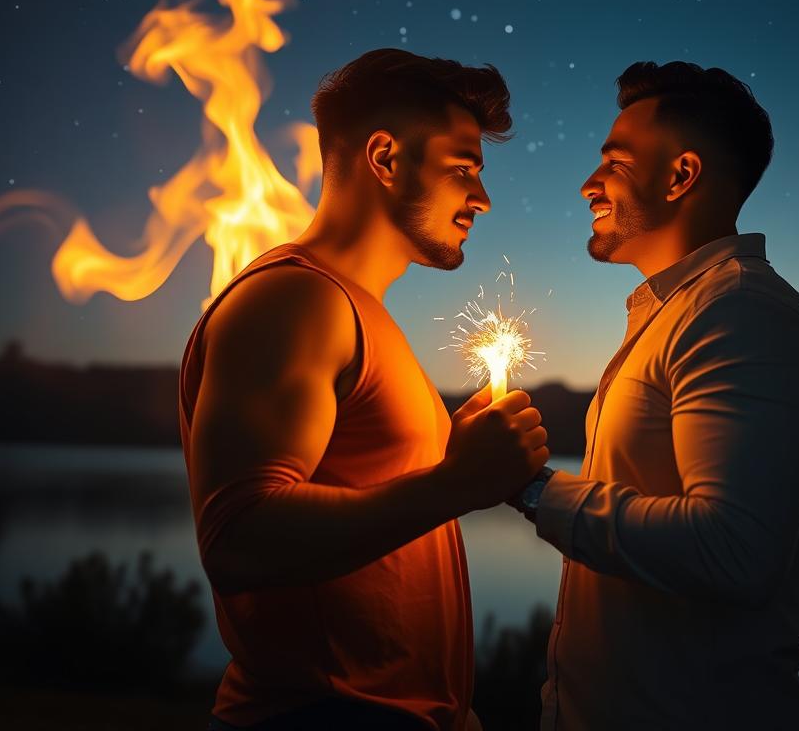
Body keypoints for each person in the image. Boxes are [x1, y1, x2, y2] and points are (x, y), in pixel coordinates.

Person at [179, 48, 550, 731]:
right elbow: (239, 539)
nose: (484, 199)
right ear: (384, 157)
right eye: (463, 169)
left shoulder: (358, 312)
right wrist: (454, 485)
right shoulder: (296, 299)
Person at [508, 61, 799, 730]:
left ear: (681, 175)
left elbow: (733, 550)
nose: (587, 184)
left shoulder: (743, 315)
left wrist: (532, 490)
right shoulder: (686, 314)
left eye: (613, 162)